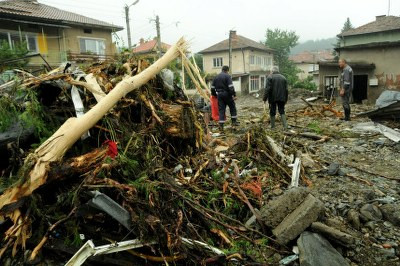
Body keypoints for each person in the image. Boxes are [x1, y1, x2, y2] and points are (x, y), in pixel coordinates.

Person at [211, 66, 238, 132]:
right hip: (227, 94)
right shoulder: (227, 76)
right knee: (232, 108)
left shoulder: (216, 77)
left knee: (221, 110)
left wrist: (215, 95)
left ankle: (221, 126)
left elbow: (212, 88)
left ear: (222, 69)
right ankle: (234, 124)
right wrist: (234, 95)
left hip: (219, 95)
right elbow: (231, 87)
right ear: (227, 70)